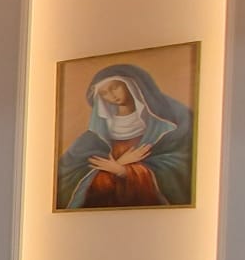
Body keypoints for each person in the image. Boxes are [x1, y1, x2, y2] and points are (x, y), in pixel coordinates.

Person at [56, 62, 193, 209]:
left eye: (115, 87)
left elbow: (178, 174)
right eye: (104, 93)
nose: (111, 96)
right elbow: (66, 180)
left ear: (131, 85)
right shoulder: (92, 138)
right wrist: (122, 164)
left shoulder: (165, 130)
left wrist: (123, 171)